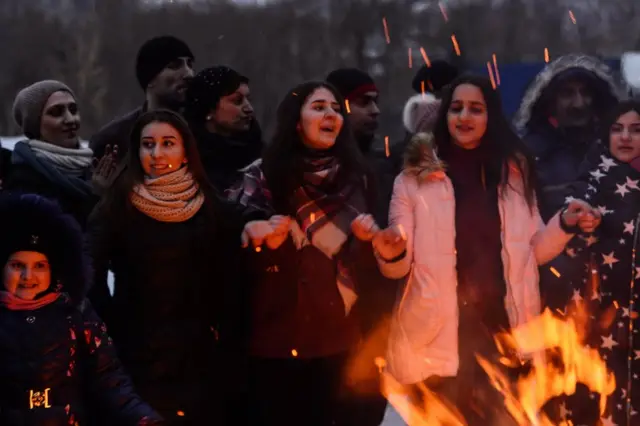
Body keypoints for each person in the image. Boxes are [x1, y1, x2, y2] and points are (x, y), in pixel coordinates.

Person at [374, 75, 601, 425]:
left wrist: (564, 224)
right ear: (444, 116)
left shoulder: (513, 174)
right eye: (457, 108)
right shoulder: (413, 178)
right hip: (438, 338)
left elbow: (533, 252)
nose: (464, 117)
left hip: (505, 331)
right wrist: (392, 250)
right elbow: (397, 268)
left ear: (490, 117)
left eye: (475, 109)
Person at [229, 81, 385, 425]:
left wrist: (368, 244)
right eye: (318, 107)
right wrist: (262, 241)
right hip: (277, 345)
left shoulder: (359, 179)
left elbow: (369, 268)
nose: (330, 113)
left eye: (334, 108)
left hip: (342, 342)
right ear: (296, 122)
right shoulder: (263, 176)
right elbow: (235, 252)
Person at [88, 109, 242, 425]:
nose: (157, 154)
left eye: (168, 143)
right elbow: (89, 269)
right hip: (139, 358)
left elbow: (235, 257)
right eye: (148, 145)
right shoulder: (119, 205)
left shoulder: (208, 205)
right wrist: (111, 327)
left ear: (186, 151)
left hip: (199, 360)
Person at [0, 193, 163, 425]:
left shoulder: (75, 313)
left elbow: (109, 379)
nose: (28, 276)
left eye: (39, 266)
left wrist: (143, 419)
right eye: (17, 265)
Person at [552, 101, 640, 426]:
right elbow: (574, 202)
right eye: (617, 129)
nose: (626, 137)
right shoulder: (596, 173)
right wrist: (582, 214)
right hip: (602, 322)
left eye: (636, 129)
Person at [513, 54, 622, 222]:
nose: (578, 103)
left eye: (585, 93)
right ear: (550, 102)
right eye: (567, 94)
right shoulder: (530, 156)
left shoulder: (617, 149)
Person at [4, 80, 95, 228]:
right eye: (56, 112)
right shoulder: (22, 181)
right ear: (35, 124)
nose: (71, 119)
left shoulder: (96, 168)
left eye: (73, 109)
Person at [90, 35, 195, 161]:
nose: (188, 74)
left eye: (189, 64)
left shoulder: (205, 131)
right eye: (174, 66)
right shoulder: (114, 140)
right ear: (150, 79)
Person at [184, 65, 262, 192]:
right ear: (209, 109)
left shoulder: (264, 158)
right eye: (237, 101)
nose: (249, 108)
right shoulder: (187, 164)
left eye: (249, 99)